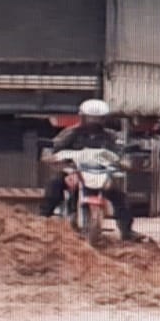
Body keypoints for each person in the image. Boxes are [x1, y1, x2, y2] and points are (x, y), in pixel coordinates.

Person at [39, 98, 138, 241]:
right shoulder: (70, 133)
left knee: (120, 196)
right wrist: (53, 158)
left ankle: (127, 231)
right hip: (74, 171)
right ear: (83, 117)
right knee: (55, 184)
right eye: (91, 118)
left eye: (98, 118)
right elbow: (54, 147)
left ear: (104, 119)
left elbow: (120, 152)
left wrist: (124, 161)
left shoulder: (111, 136)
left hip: (101, 173)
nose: (94, 122)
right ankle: (43, 221)